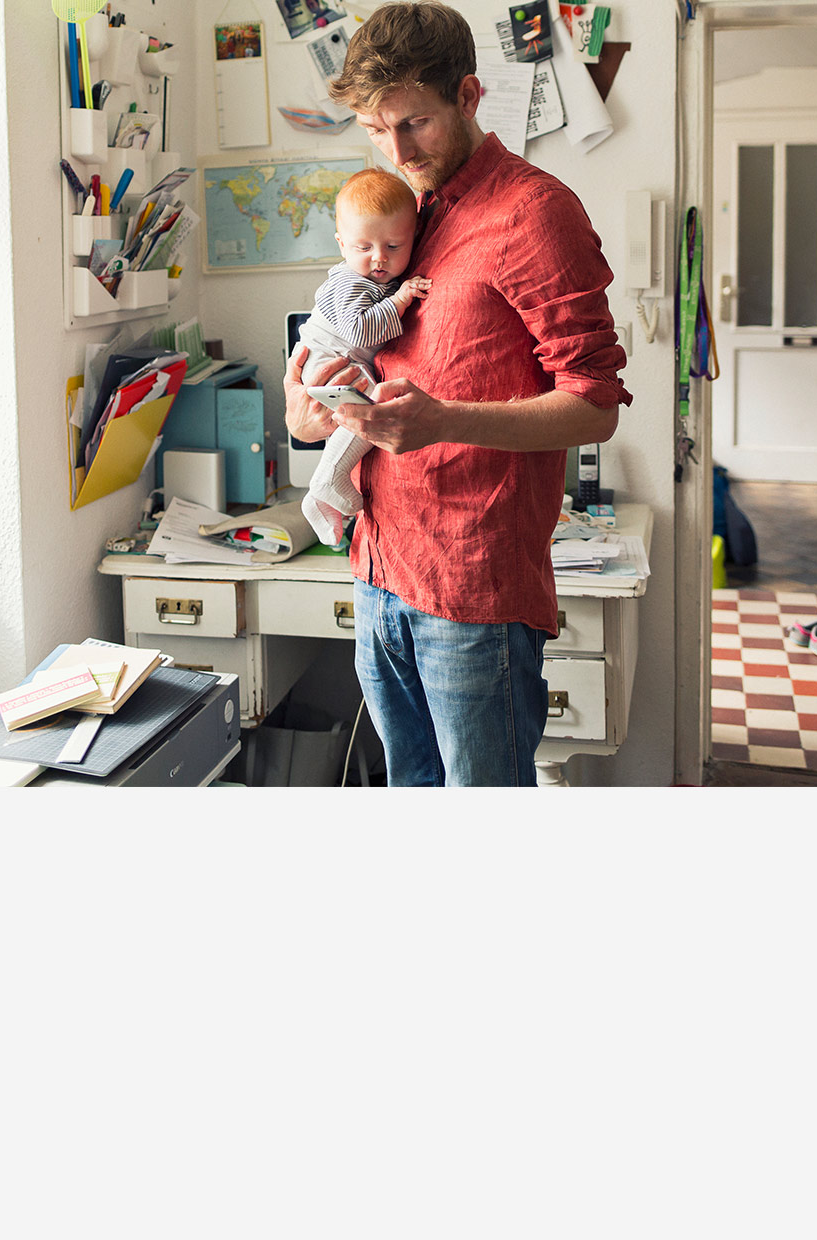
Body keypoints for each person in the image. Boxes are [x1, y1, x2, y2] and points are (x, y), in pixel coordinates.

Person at [283, 1, 632, 787]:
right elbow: (339, 349)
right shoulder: (404, 215)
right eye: (375, 130)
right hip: (378, 569)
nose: (397, 151)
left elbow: (596, 403)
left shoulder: (536, 215)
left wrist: (442, 421)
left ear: (469, 97)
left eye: (415, 124)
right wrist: (302, 409)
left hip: (474, 590)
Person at [297, 167, 431, 545]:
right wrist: (402, 299)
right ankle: (327, 479)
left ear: (414, 238)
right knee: (375, 405)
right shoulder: (352, 281)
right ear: (342, 244)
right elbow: (360, 330)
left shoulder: (373, 277)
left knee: (367, 407)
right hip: (327, 361)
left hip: (333, 361)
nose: (378, 259)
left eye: (393, 247)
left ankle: (320, 496)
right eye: (364, 248)